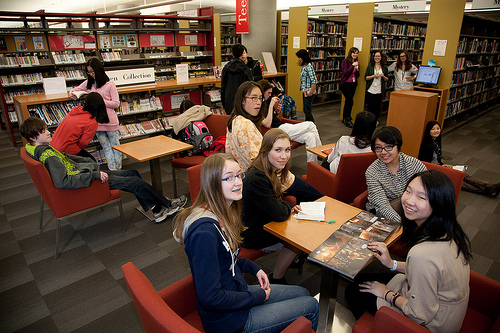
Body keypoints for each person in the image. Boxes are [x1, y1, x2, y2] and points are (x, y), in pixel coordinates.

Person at [172, 153, 319, 333]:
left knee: (302, 293)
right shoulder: (204, 233)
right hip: (229, 321)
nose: (238, 182)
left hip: (237, 293)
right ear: (212, 184)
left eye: (239, 175)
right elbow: (210, 298)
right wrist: (256, 296)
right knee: (311, 306)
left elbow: (225, 260)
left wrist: (252, 267)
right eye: (228, 177)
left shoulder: (221, 212)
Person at [346, 170, 472, 333]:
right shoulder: (450, 231)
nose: (409, 201)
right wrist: (392, 264)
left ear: (438, 203)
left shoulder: (422, 253)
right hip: (444, 306)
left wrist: (386, 293)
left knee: (353, 292)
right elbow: (431, 271)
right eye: (408, 191)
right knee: (364, 278)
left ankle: (381, 326)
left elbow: (419, 315)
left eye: (421, 197)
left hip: (433, 323)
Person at [20, 117, 187, 223]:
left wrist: (90, 164)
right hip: (89, 182)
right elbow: (63, 181)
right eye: (43, 131)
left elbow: (69, 161)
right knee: (135, 182)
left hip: (86, 174)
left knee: (133, 173)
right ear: (33, 137)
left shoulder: (35, 149)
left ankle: (156, 210)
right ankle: (167, 204)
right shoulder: (48, 156)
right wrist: (94, 174)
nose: (49, 132)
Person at [242, 129, 322, 284]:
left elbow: (273, 205)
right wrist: (286, 206)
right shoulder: (258, 179)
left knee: (298, 223)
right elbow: (279, 213)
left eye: (287, 150)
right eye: (278, 150)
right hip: (253, 233)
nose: (284, 156)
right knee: (300, 237)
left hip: (260, 221)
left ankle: (293, 259)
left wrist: (284, 206)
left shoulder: (264, 169)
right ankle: (277, 278)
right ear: (265, 150)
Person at [418, 121, 499, 197]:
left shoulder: (436, 142)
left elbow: (437, 160)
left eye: (438, 128)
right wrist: (441, 168)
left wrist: (443, 165)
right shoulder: (427, 145)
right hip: (434, 172)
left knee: (464, 175)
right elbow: (426, 164)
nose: (436, 131)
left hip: (440, 168)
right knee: (460, 181)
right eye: (433, 129)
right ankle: (489, 189)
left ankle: (489, 188)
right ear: (428, 131)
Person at [70, 57, 122, 170]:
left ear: (99, 69)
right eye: (89, 72)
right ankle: (113, 171)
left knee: (116, 147)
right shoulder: (89, 83)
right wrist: (73, 94)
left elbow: (116, 103)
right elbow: (74, 90)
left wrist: (100, 101)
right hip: (96, 122)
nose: (91, 74)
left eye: (93, 71)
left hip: (110, 121)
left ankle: (118, 169)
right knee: (106, 148)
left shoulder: (110, 84)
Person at [365, 126, 427, 222]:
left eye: (388, 147)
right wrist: (402, 224)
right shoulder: (372, 171)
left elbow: (427, 193)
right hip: (385, 213)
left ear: (398, 146)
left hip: (412, 209)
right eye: (378, 148)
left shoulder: (414, 164)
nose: (383, 152)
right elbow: (382, 206)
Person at [258, 80, 322, 164]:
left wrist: (277, 111)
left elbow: (274, 118)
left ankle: (313, 166)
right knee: (311, 125)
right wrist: (271, 105)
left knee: (310, 136)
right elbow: (267, 124)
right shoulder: (259, 105)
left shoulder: (266, 102)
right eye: (268, 93)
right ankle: (321, 153)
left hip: (282, 126)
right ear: (263, 92)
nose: (270, 95)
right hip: (278, 130)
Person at [50, 92, 109, 161]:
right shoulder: (91, 121)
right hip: (66, 148)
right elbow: (83, 143)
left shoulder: (75, 111)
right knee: (91, 162)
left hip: (53, 146)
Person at [225, 81, 267, 171]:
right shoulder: (247, 125)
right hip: (258, 178)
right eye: (254, 98)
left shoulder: (233, 120)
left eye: (260, 98)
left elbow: (228, 153)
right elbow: (257, 161)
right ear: (242, 100)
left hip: (242, 176)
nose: (259, 102)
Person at [221, 44, 253, 114]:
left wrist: (224, 102)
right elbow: (250, 86)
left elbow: (223, 86)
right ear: (242, 53)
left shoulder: (226, 68)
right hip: (242, 101)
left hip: (229, 100)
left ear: (232, 53)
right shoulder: (245, 69)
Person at [364, 51, 389, 122]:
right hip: (371, 90)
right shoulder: (370, 66)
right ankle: (369, 121)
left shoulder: (384, 67)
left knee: (377, 108)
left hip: (379, 91)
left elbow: (387, 79)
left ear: (381, 57)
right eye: (375, 56)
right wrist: (373, 76)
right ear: (373, 57)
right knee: (370, 107)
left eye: (378, 56)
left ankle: (375, 121)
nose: (377, 58)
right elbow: (366, 77)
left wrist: (383, 76)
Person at [340, 47, 360, 128]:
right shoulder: (345, 61)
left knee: (349, 101)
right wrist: (352, 66)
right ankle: (347, 118)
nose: (355, 54)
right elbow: (345, 73)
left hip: (353, 84)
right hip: (345, 84)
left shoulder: (357, 62)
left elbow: (357, 75)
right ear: (350, 53)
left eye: (357, 53)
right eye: (354, 53)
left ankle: (346, 117)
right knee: (350, 100)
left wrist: (357, 69)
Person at [296, 49, 317, 123]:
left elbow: (314, 80)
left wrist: (311, 91)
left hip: (309, 91)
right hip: (305, 91)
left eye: (299, 57)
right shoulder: (304, 66)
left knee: (307, 110)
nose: (298, 59)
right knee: (306, 109)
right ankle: (307, 124)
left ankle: (312, 125)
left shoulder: (309, 67)